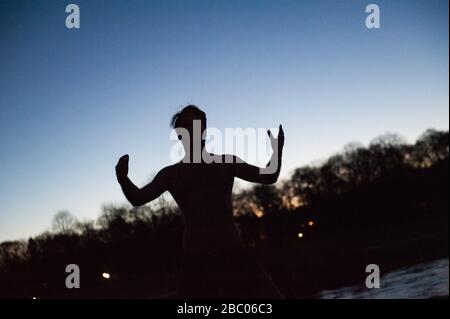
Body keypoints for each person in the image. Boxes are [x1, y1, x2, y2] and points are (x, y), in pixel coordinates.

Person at [115, 105, 284, 298]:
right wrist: (123, 180)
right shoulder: (171, 174)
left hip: (236, 256)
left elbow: (269, 175)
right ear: (179, 134)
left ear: (204, 130)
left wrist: (277, 151)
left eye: (196, 125)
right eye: (186, 126)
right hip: (196, 266)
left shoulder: (226, 162)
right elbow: (138, 198)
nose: (192, 130)